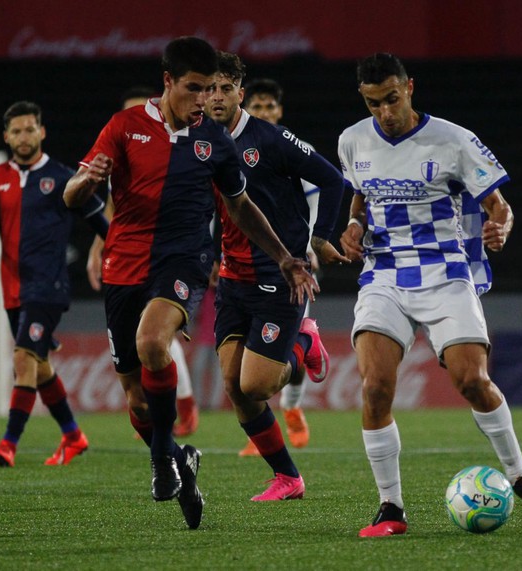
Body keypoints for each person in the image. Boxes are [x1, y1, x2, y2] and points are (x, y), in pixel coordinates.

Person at [63, 37, 316, 528]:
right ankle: (180, 461)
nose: (203, 99)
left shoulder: (214, 140)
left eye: (209, 89)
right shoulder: (124, 126)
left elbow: (241, 206)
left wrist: (285, 257)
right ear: (168, 82)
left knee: (152, 342)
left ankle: (161, 458)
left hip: (182, 262)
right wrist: (87, 182)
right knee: (137, 400)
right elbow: (72, 197)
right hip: (123, 265)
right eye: (194, 88)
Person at [338, 53, 522, 537]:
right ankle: (390, 508)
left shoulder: (454, 140)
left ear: (410, 88)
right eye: (374, 103)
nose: (385, 112)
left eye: (392, 99)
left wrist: (500, 227)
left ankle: (521, 476)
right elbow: (358, 194)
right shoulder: (352, 139)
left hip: (446, 274)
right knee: (374, 388)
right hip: (384, 276)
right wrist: (354, 224)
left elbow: (499, 205)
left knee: (472, 381)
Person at [204, 51, 347, 500]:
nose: (217, 96)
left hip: (278, 276)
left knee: (256, 385)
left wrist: (321, 239)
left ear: (240, 94)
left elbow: (334, 180)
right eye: (209, 89)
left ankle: (304, 343)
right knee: (234, 387)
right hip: (232, 279)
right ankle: (288, 477)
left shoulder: (271, 138)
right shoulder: (198, 142)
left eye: (226, 88)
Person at [0, 101, 108, 468]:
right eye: (16, 131)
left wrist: (121, 247)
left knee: (23, 359)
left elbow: (97, 219)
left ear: (42, 132)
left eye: (29, 129)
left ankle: (8, 444)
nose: (24, 136)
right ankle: (73, 434)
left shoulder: (63, 177)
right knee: (38, 365)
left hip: (48, 287)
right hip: (13, 289)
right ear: (7, 137)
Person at [87, 86, 200, 437]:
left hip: (173, 256)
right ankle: (159, 423)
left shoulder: (180, 149)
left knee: (155, 336)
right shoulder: (118, 148)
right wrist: (97, 248)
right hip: (128, 259)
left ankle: (182, 410)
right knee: (143, 351)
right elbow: (112, 208)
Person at [237, 77, 319, 456]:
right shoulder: (234, 148)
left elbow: (315, 200)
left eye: (270, 106)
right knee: (251, 351)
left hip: (292, 264)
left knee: (285, 345)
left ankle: (292, 407)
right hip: (246, 265)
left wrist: (312, 245)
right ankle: (262, 429)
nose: (264, 112)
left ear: (280, 110)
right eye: (257, 106)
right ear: (246, 108)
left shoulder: (294, 149)